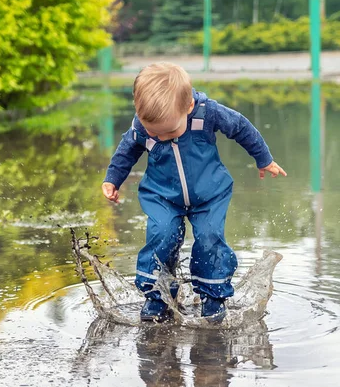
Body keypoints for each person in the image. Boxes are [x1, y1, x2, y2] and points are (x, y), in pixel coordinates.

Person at [102, 62, 286, 323]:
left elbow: (242, 128)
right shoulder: (143, 126)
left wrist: (263, 158)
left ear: (188, 107)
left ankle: (213, 297)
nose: (161, 137)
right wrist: (113, 179)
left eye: (170, 131)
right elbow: (126, 151)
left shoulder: (206, 114)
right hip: (162, 195)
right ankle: (157, 296)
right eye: (155, 133)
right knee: (161, 236)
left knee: (210, 238)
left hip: (210, 194)